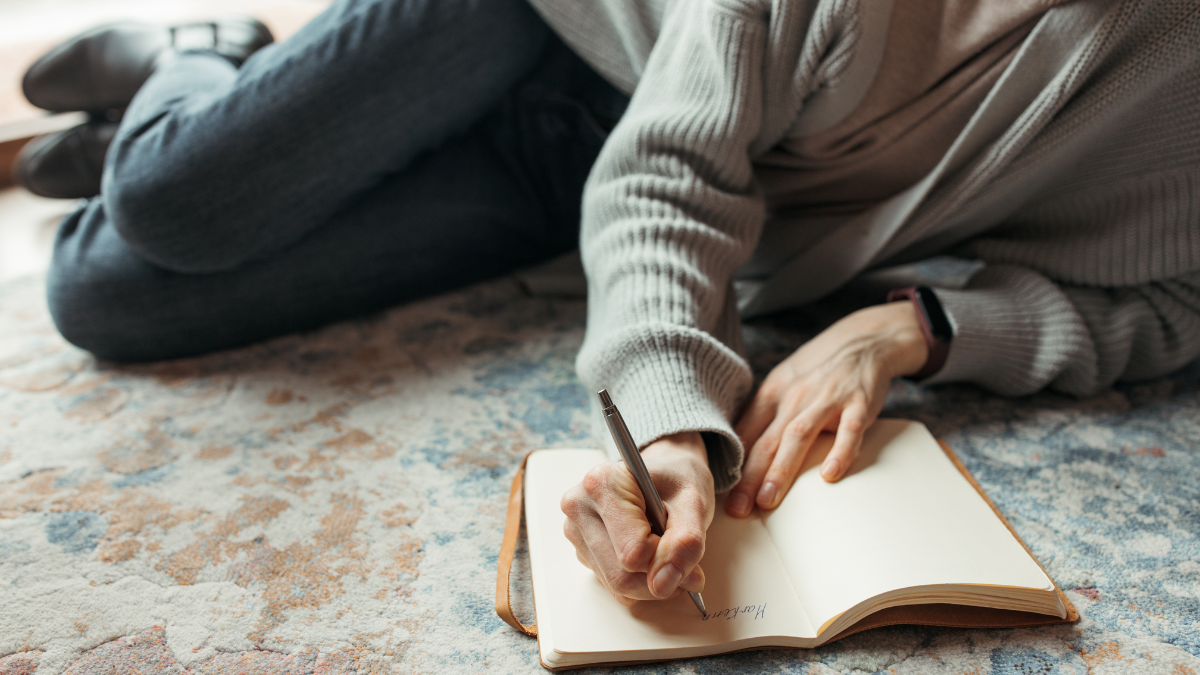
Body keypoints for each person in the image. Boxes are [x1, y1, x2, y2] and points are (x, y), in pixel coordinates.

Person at [17, 0, 1200, 607]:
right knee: (174, 201)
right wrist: (673, 427)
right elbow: (670, 177)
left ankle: (197, 109)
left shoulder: (1170, 62)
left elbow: (1172, 299)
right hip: (543, 30)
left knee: (103, 292)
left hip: (561, 178)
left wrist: (917, 329)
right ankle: (203, 46)